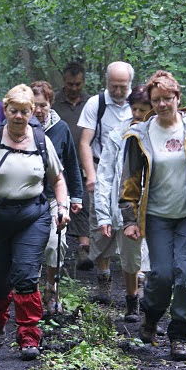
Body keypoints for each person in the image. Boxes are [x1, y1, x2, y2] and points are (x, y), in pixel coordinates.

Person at [119, 70, 186, 361]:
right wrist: (130, 219)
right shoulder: (140, 134)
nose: (163, 104)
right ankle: (152, 316)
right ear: (151, 102)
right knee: (162, 274)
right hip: (156, 216)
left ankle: (180, 334)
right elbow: (130, 179)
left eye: (168, 98)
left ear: (178, 98)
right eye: (157, 100)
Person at [0, 84, 70, 361]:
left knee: (25, 276)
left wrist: (64, 206)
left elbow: (57, 179)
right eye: (14, 111)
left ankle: (29, 337)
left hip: (32, 216)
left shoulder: (41, 140)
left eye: (24, 111)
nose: (19, 116)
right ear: (5, 111)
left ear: (32, 112)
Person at [77, 61, 134, 303]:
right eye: (114, 86)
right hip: (102, 168)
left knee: (133, 223)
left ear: (130, 84)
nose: (118, 91)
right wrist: (91, 175)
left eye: (123, 86)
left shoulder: (138, 102)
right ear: (106, 82)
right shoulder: (96, 104)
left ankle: (137, 281)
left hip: (131, 169)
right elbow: (84, 142)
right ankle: (104, 279)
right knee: (101, 225)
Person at [95, 85, 152, 322]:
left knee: (150, 257)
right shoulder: (118, 133)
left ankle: (149, 303)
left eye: (143, 109)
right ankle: (131, 301)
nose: (138, 113)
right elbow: (105, 173)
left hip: (153, 204)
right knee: (130, 258)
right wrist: (103, 215)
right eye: (134, 108)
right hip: (124, 205)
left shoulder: (159, 133)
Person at [30, 80, 83, 316]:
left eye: (43, 105)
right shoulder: (20, 127)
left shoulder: (60, 128)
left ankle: (52, 290)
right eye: (34, 105)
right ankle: (30, 292)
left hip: (54, 198)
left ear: (51, 104)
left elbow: (71, 163)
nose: (38, 110)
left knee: (55, 243)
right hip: (27, 198)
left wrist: (77, 196)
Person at [51, 61, 93, 270]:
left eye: (78, 84)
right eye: (70, 84)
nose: (74, 88)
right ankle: (55, 247)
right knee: (59, 201)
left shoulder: (91, 103)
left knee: (83, 201)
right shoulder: (54, 103)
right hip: (58, 160)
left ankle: (83, 247)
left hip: (84, 160)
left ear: (83, 82)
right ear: (63, 81)